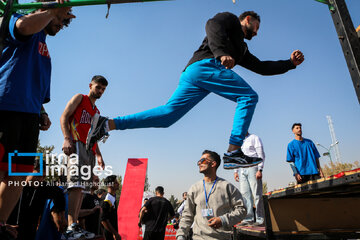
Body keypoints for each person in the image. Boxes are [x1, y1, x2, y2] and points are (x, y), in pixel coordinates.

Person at [85, 11, 304, 169]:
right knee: (248, 96)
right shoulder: (229, 20)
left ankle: (108, 124)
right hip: (206, 66)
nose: (256, 33)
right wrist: (220, 53)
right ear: (248, 20)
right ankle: (233, 152)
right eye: (256, 27)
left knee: (168, 116)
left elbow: (262, 67)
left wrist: (289, 64)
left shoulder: (241, 49)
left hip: (193, 73)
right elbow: (211, 26)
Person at [0, 1, 74, 238]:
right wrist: (51, 10)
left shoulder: (44, 46)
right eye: (61, 20)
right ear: (47, 10)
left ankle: (0, 222)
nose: (62, 25)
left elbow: (37, 88)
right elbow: (22, 27)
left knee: (18, 174)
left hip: (29, 115)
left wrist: (41, 112)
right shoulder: (18, 18)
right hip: (6, 106)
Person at [60, 75, 108, 239]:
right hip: (76, 143)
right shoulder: (80, 98)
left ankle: (75, 226)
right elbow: (64, 116)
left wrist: (99, 155)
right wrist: (67, 138)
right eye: (98, 87)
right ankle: (70, 226)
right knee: (75, 184)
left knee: (82, 189)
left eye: (103, 89)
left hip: (90, 150)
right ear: (90, 85)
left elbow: (94, 136)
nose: (100, 91)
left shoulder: (97, 112)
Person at [176, 150, 246, 240]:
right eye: (199, 161)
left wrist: (223, 220)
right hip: (198, 238)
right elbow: (187, 215)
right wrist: (181, 235)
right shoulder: (194, 189)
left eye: (203, 161)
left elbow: (242, 209)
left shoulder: (227, 187)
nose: (199, 163)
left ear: (213, 164)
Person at [234, 132, 265, 226]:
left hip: (253, 167)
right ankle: (248, 218)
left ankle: (260, 219)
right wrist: (235, 171)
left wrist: (260, 169)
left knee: (257, 194)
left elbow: (261, 155)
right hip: (242, 169)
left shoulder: (254, 138)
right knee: (245, 195)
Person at [101, 175, 121, 240]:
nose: (118, 184)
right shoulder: (107, 199)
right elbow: (104, 220)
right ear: (109, 185)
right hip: (109, 235)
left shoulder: (113, 196)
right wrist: (114, 233)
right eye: (115, 182)